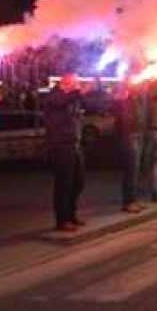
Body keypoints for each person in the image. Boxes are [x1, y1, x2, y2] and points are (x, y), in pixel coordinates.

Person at [43, 73, 87, 232]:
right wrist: (77, 93)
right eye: (75, 83)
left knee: (79, 182)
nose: (78, 85)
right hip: (60, 146)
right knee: (64, 184)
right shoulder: (54, 96)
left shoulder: (72, 98)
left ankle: (71, 214)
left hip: (74, 145)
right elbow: (61, 102)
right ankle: (62, 220)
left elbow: (86, 105)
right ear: (65, 83)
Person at [114, 81, 147, 214]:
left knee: (136, 170)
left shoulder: (136, 100)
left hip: (137, 135)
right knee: (131, 170)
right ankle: (128, 202)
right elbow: (122, 120)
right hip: (129, 137)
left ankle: (133, 199)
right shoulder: (123, 101)